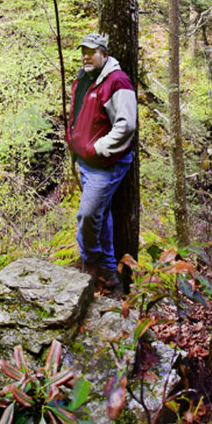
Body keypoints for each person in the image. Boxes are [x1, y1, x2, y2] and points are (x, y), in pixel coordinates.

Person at [67, 33, 137, 296]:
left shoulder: (117, 82)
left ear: (104, 54)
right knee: (100, 214)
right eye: (83, 51)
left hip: (106, 163)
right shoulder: (85, 78)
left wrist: (96, 148)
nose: (86, 56)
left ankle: (90, 262)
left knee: (87, 215)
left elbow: (126, 125)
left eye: (92, 51)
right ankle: (109, 276)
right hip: (87, 161)